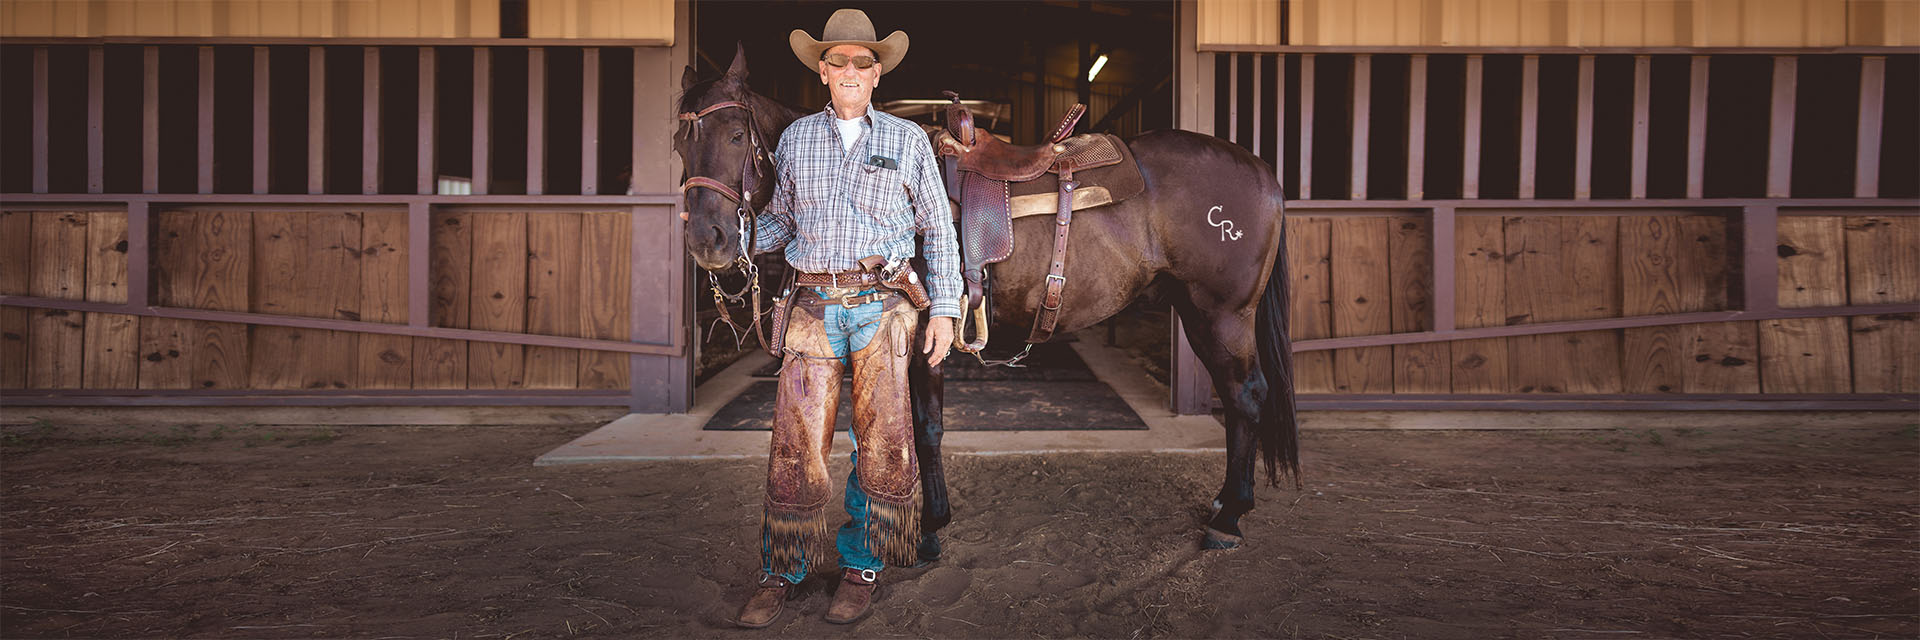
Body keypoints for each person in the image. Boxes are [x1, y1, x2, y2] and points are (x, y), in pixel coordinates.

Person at [734, 7, 961, 628]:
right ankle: (782, 570)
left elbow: (937, 228)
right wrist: (740, 237)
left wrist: (944, 308)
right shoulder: (797, 141)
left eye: (865, 61)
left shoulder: (908, 141)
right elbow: (783, 222)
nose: (853, 70)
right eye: (841, 61)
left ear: (877, 72)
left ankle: (862, 567)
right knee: (796, 443)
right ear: (823, 72)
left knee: (879, 443)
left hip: (884, 309)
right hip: (811, 305)